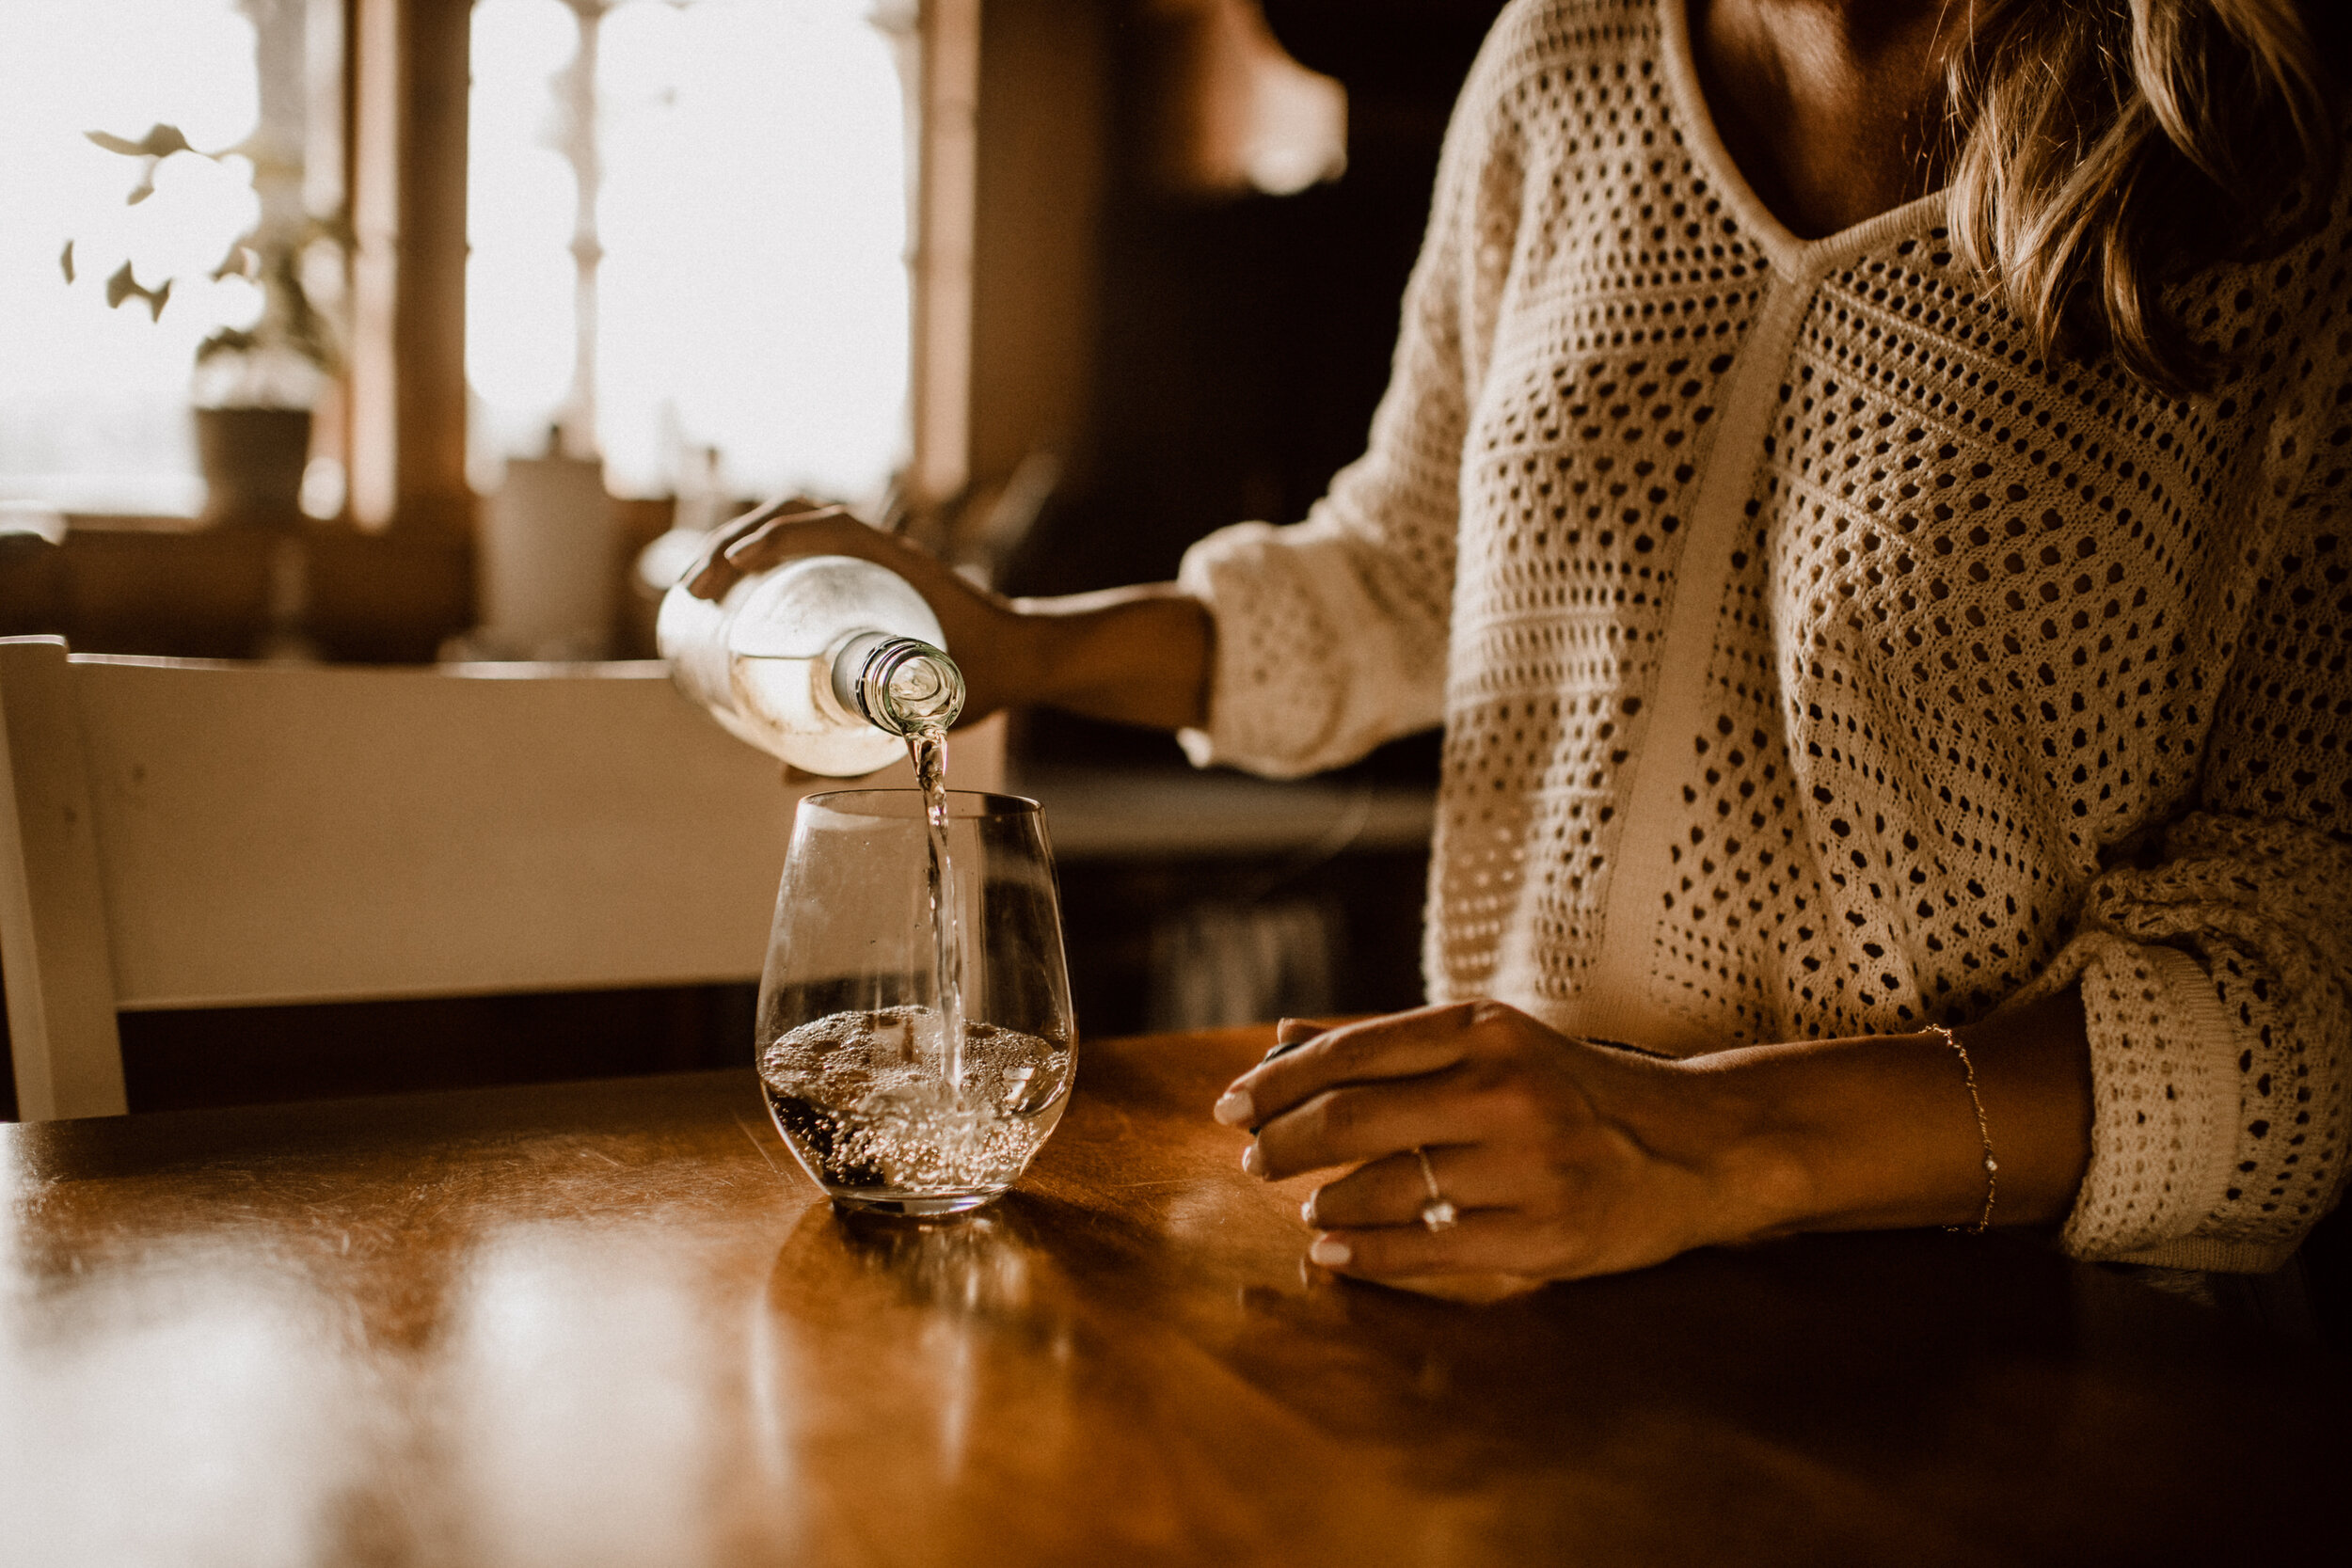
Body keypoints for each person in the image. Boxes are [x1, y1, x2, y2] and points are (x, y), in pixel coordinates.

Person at [692, 0, 2352, 1290]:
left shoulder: (2267, 148)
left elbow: (2303, 995)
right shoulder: (1563, 57)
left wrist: (1704, 1149)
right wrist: (1021, 646)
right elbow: (1413, 572)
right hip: (1511, 1242)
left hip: (2009, 1332)